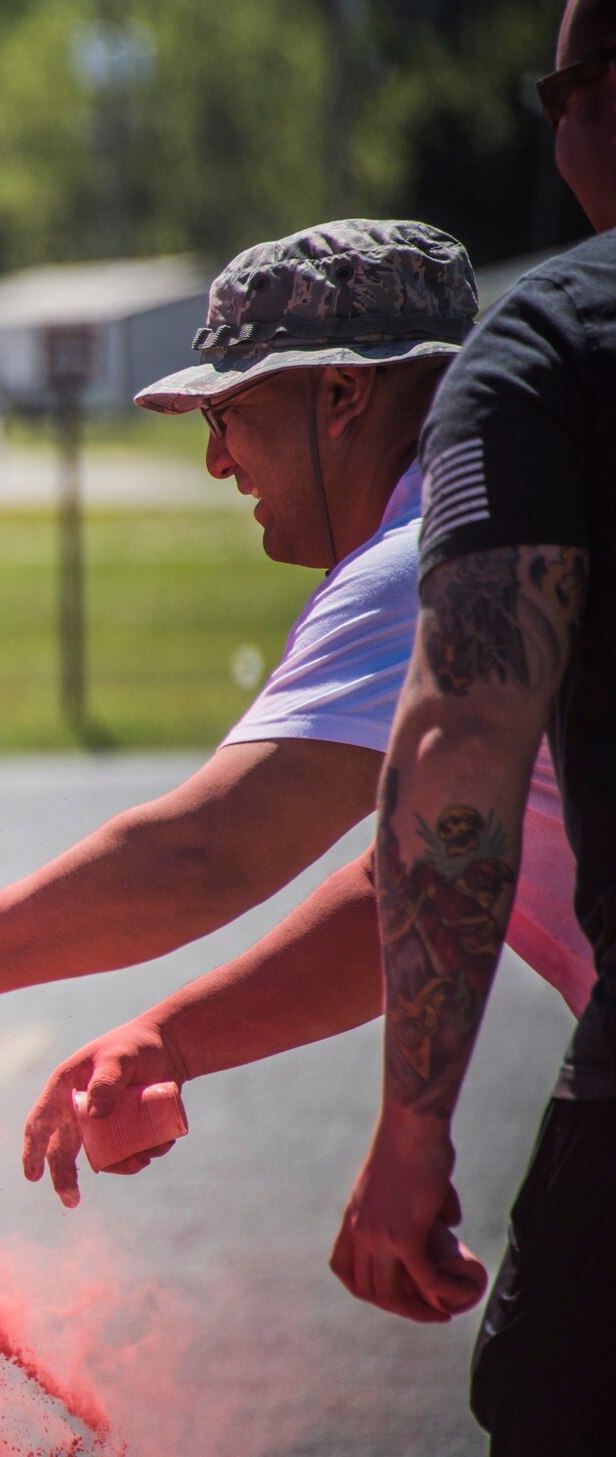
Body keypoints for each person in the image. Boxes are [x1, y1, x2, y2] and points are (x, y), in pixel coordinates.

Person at [0, 219, 591, 1212]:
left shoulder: (419, 559)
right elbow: (420, 873)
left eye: (228, 416)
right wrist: (175, 1036)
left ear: (342, 394)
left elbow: (206, 852)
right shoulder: (503, 501)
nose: (219, 463)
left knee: (547, 1371)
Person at [331, 2, 616, 1446]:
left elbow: (459, 761)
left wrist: (412, 1130)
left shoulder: (554, 349)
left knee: (558, 1399)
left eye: (558, 86)